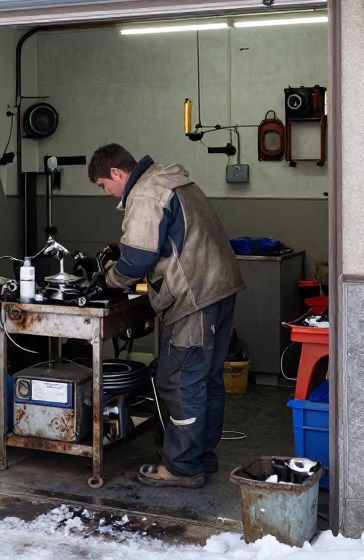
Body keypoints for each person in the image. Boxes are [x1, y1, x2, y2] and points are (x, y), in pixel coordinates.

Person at [88, 143, 244, 488]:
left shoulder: (145, 193)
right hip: (219, 288)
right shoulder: (174, 180)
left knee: (180, 379)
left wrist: (109, 280)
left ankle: (183, 467)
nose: (107, 193)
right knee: (207, 379)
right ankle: (201, 455)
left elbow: (136, 259)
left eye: (103, 185)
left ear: (117, 173)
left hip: (194, 298)